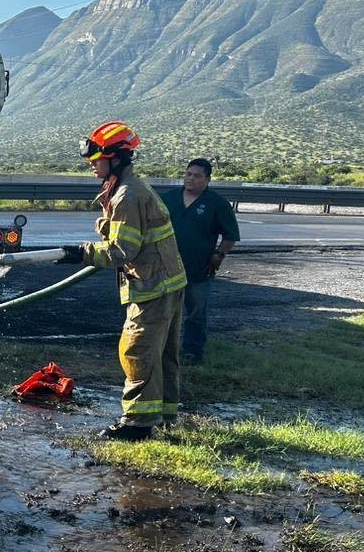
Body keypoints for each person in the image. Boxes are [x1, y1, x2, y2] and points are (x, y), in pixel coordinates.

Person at [57, 121, 187, 440]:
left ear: (115, 158)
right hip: (168, 282)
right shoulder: (129, 188)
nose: (92, 167)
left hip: (152, 285)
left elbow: (121, 251)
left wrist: (81, 253)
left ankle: (137, 425)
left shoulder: (127, 195)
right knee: (162, 353)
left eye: (95, 161)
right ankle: (164, 415)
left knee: (137, 350)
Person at [162, 158, 240, 364]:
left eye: (197, 176)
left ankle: (192, 352)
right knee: (163, 312)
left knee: (195, 313)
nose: (191, 179)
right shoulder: (168, 198)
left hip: (198, 270)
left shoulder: (217, 203)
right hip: (166, 268)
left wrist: (219, 254)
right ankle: (162, 350)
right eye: (188, 174)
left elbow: (230, 235)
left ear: (208, 179)